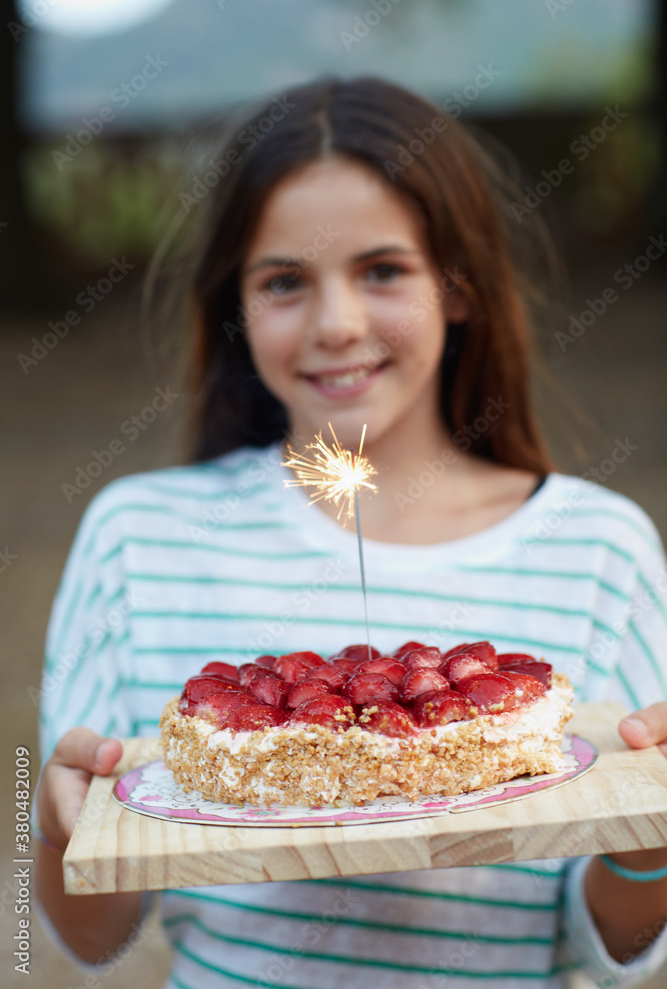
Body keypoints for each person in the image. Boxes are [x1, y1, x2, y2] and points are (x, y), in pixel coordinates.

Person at [34, 76, 667, 989]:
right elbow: (90, 937)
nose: (338, 324)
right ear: (237, 306)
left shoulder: (599, 549)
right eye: (285, 281)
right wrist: (55, 828)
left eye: (382, 270)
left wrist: (650, 841)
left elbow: (608, 940)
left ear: (456, 287)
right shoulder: (138, 541)